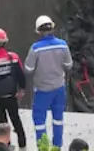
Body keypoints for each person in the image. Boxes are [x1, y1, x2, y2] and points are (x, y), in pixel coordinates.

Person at [24, 15, 72, 149]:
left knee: (39, 120)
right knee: (58, 118)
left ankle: (43, 147)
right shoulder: (63, 45)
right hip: (59, 88)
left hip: (42, 90)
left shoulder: (35, 48)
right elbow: (69, 65)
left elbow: (28, 69)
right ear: (52, 28)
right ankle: (57, 146)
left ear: (38, 31)